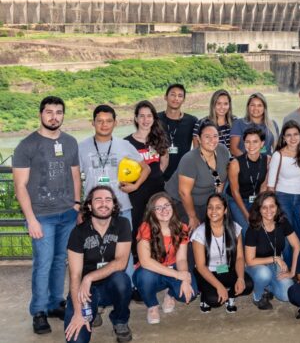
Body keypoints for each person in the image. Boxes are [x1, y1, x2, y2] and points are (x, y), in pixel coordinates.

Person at [13, 96, 81, 334]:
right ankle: (39, 310)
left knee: (60, 261)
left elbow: (75, 175)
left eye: (59, 112)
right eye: (49, 112)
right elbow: (20, 186)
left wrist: (76, 204)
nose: (54, 117)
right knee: (43, 263)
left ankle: (54, 303)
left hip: (67, 213)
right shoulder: (27, 145)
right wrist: (31, 219)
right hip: (41, 216)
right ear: (40, 114)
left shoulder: (70, 142)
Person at [79, 105, 149, 283]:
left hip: (121, 207)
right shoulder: (81, 147)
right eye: (100, 121)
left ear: (115, 123)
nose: (104, 125)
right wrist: (79, 205)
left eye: (108, 121)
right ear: (93, 123)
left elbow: (146, 168)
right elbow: (73, 176)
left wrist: (135, 186)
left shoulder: (124, 145)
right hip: (93, 210)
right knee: (93, 250)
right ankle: (96, 287)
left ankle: (128, 287)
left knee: (124, 251)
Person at [63, 186, 133, 343]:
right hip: (85, 291)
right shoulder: (78, 233)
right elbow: (75, 275)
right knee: (76, 340)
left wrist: (89, 277)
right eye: (98, 200)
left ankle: (120, 320)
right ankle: (92, 310)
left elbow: (121, 262)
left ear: (114, 205)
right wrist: (78, 313)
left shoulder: (122, 224)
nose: (104, 204)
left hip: (110, 285)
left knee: (122, 280)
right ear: (89, 205)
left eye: (108, 200)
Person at [132, 193, 195, 325]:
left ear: (172, 207)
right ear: (152, 212)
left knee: (189, 294)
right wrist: (177, 275)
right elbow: (145, 261)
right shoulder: (146, 227)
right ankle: (152, 306)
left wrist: (184, 278)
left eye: (167, 205)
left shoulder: (182, 227)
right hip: (151, 271)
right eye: (158, 208)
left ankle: (169, 294)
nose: (164, 210)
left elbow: (181, 259)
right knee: (145, 276)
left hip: (172, 267)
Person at [191, 194, 254, 313]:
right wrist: (219, 286)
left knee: (248, 285)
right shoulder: (199, 233)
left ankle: (230, 296)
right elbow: (201, 266)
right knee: (214, 300)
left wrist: (240, 278)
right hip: (207, 271)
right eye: (210, 207)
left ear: (225, 210)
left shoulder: (235, 228)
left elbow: (240, 258)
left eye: (218, 207)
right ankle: (205, 296)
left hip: (226, 268)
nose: (213, 211)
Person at [166, 122, 231, 232]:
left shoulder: (222, 150)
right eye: (207, 137)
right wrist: (192, 217)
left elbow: (221, 180)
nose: (212, 140)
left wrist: (217, 203)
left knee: (223, 224)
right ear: (199, 139)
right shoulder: (190, 159)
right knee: (193, 231)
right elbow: (184, 192)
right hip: (181, 201)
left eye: (215, 136)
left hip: (206, 201)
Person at [124, 100, 169, 255]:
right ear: (136, 118)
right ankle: (137, 258)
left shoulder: (159, 138)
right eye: (142, 116)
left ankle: (158, 256)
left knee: (158, 225)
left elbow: (164, 161)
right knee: (137, 226)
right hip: (136, 193)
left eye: (149, 116)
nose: (145, 120)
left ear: (154, 118)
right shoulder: (127, 142)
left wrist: (156, 175)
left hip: (157, 190)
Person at [244, 193, 300, 310]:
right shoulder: (253, 228)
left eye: (272, 206)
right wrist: (275, 259)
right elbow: (250, 261)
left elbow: (297, 246)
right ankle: (258, 296)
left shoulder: (282, 222)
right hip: (256, 266)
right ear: (259, 210)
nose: (268, 210)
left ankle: (268, 287)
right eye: (264, 207)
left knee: (286, 295)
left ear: (277, 207)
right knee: (264, 274)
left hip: (275, 264)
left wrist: (293, 272)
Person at [269, 121, 300, 245]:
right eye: (288, 135)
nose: (292, 138)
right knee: (287, 238)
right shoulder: (278, 155)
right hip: (282, 198)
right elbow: (270, 186)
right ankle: (289, 259)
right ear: (284, 138)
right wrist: (273, 206)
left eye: (295, 134)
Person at [227, 127, 269, 234]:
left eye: (255, 142)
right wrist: (246, 215)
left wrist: (258, 208)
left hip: (256, 199)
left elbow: (264, 186)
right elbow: (235, 192)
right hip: (237, 200)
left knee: (263, 227)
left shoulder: (268, 160)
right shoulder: (235, 164)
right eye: (247, 142)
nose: (251, 145)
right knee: (247, 230)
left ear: (262, 143)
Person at [158, 84, 197, 181]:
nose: (176, 98)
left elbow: (197, 148)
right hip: (159, 173)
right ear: (165, 97)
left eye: (180, 96)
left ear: (183, 100)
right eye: (173, 94)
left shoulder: (192, 121)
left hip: (183, 174)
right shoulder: (155, 119)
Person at [230, 92, 279, 157]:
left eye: (259, 105)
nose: (256, 108)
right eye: (252, 105)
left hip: (267, 162)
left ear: (264, 108)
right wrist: (248, 161)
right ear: (248, 107)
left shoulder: (272, 125)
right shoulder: (238, 123)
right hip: (244, 162)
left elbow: (277, 149)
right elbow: (233, 149)